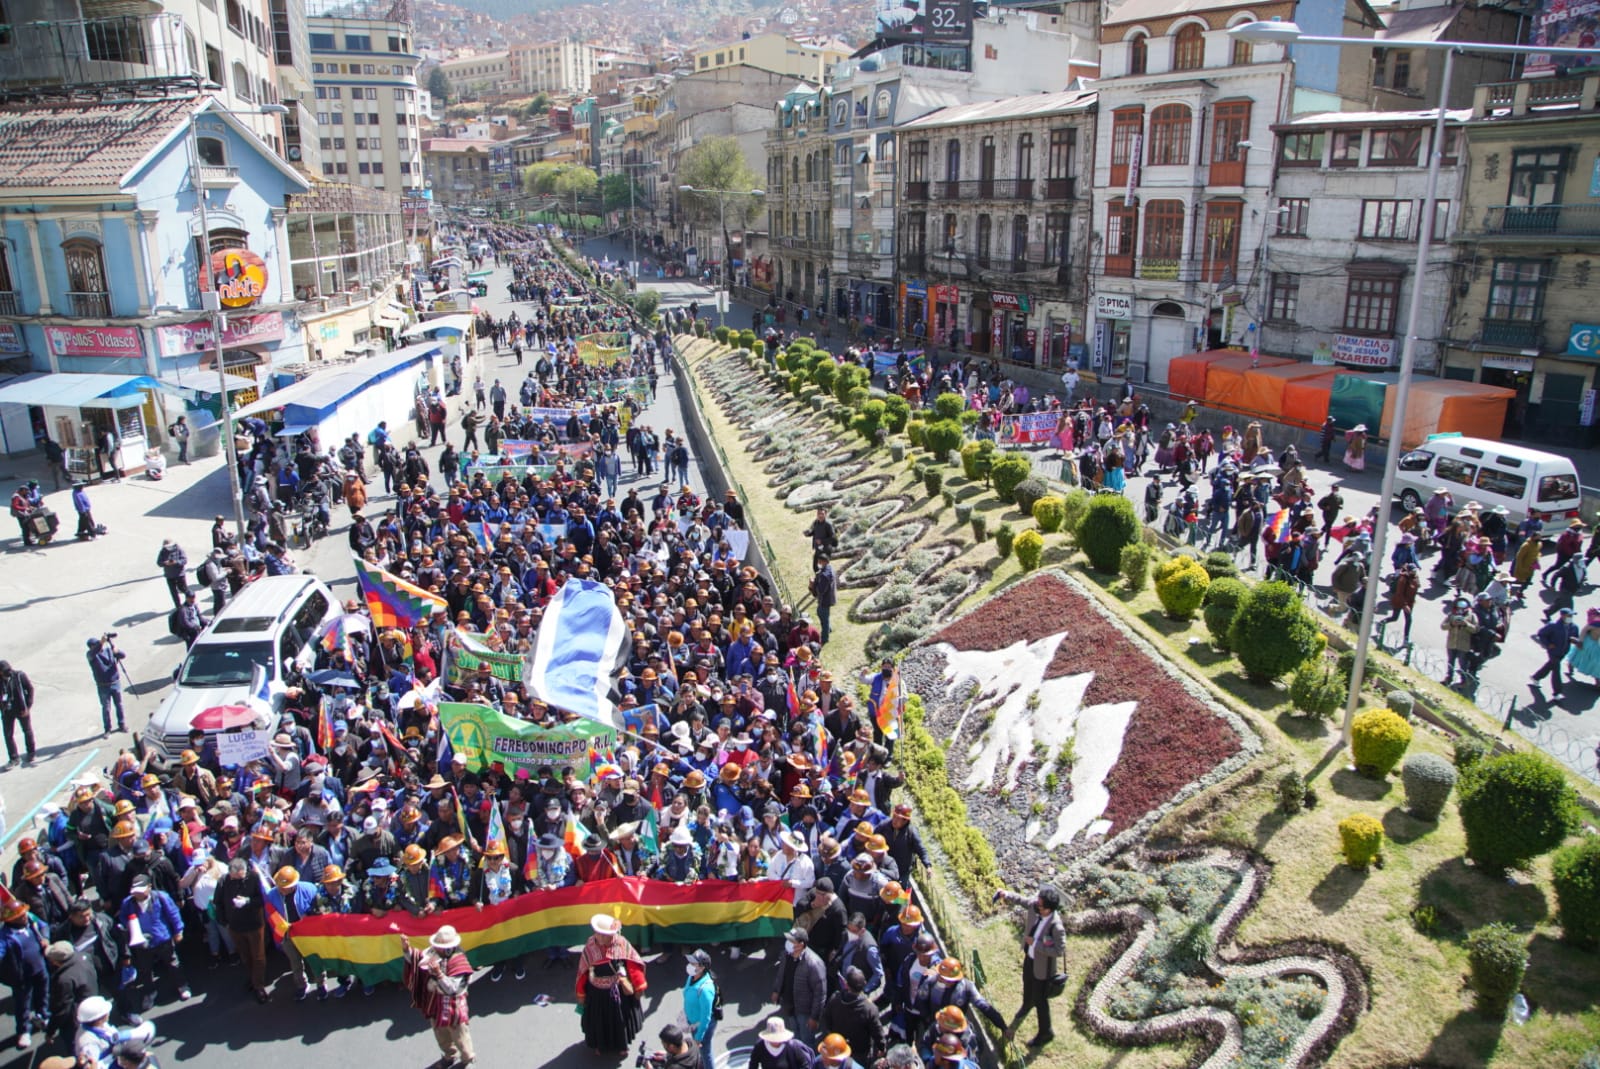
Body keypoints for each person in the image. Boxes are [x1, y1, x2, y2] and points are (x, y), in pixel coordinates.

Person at [1002, 884, 1067, 1049]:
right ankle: (1026, 1005)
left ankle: (1046, 1032)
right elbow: (1024, 901)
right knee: (1027, 984)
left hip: (1043, 969)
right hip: (1029, 959)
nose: (1036, 906)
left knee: (1040, 1000)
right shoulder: (1037, 907)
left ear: (1049, 909)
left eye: (1040, 905)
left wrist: (1036, 945)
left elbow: (1059, 950)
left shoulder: (1056, 926)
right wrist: (1006, 894)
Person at [403, 924, 475, 1068]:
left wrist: (439, 974)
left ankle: (467, 1060)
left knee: (460, 1037)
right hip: (435, 1004)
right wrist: (407, 950)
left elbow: (453, 989)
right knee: (440, 1035)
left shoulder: (459, 961)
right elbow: (418, 959)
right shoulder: (433, 952)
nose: (436, 949)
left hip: (453, 1006)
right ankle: (449, 1055)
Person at [576, 913, 647, 1054]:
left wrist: (639, 986)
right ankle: (600, 1045)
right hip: (596, 993)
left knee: (620, 1021)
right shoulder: (590, 946)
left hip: (617, 992)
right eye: (598, 934)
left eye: (604, 935)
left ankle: (622, 1046)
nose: (600, 938)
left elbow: (633, 966)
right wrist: (581, 992)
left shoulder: (621, 943)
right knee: (598, 1022)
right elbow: (583, 970)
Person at [771, 926, 826, 1044]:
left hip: (804, 1011)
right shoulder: (786, 955)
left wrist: (814, 1017)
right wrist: (776, 991)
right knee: (794, 1036)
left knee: (806, 1042)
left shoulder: (814, 964)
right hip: (789, 1005)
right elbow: (781, 974)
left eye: (791, 941)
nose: (788, 943)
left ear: (801, 944)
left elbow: (820, 993)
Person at [1531, 607, 1579, 697]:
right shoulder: (1553, 625)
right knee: (1556, 670)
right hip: (1553, 651)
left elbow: (1576, 637)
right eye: (1569, 615)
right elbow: (1541, 634)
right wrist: (1548, 644)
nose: (1571, 617)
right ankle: (1557, 693)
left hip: (1563, 652)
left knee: (1550, 665)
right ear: (1562, 616)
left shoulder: (1574, 627)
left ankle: (1536, 677)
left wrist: (1574, 640)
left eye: (1572, 615)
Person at [683, 949, 718, 1069]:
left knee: (705, 1053)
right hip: (693, 1022)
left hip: (702, 1027)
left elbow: (706, 1017)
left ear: (702, 967)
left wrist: (699, 1037)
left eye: (694, 963)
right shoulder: (691, 977)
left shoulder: (706, 989)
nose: (690, 965)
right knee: (699, 1052)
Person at [86, 636, 126, 735]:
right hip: (103, 686)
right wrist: (101, 642)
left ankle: (122, 725)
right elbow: (94, 651)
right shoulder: (91, 655)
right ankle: (107, 729)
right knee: (106, 708)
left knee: (119, 705)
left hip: (115, 683)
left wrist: (116, 651)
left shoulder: (109, 650)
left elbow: (122, 655)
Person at [0, 660, 36, 767]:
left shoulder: (19, 676)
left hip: (21, 709)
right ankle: (14, 758)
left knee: (27, 730)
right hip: (7, 711)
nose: (8, 673)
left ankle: (31, 752)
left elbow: (30, 689)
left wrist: (28, 707)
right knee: (8, 735)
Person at [748, 1017, 814, 1069]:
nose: (775, 1041)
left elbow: (805, 1065)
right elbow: (753, 1064)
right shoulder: (760, 1046)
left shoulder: (793, 1046)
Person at [811, 555, 837, 646]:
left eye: (819, 561)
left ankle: (825, 638)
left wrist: (813, 584)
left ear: (824, 561)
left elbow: (821, 590)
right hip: (828, 598)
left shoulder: (825, 575)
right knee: (823, 614)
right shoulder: (829, 569)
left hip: (825, 599)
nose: (818, 563)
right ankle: (828, 629)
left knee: (822, 615)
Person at [156, 540, 189, 608]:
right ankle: (178, 606)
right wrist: (165, 563)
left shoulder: (179, 550)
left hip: (180, 575)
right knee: (173, 593)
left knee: (184, 589)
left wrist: (176, 562)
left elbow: (184, 560)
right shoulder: (163, 552)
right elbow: (159, 562)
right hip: (169, 576)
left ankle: (188, 602)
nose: (168, 548)